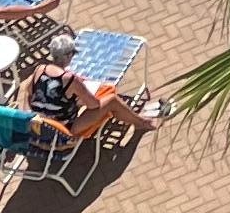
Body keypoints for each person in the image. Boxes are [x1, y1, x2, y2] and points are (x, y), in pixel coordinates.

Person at [29, 57, 171, 148]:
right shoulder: (68, 79)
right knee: (111, 101)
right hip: (63, 132)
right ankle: (141, 123)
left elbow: (30, 96)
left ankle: (132, 117)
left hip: (38, 129)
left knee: (73, 100)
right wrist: (79, 94)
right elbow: (94, 105)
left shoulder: (40, 70)